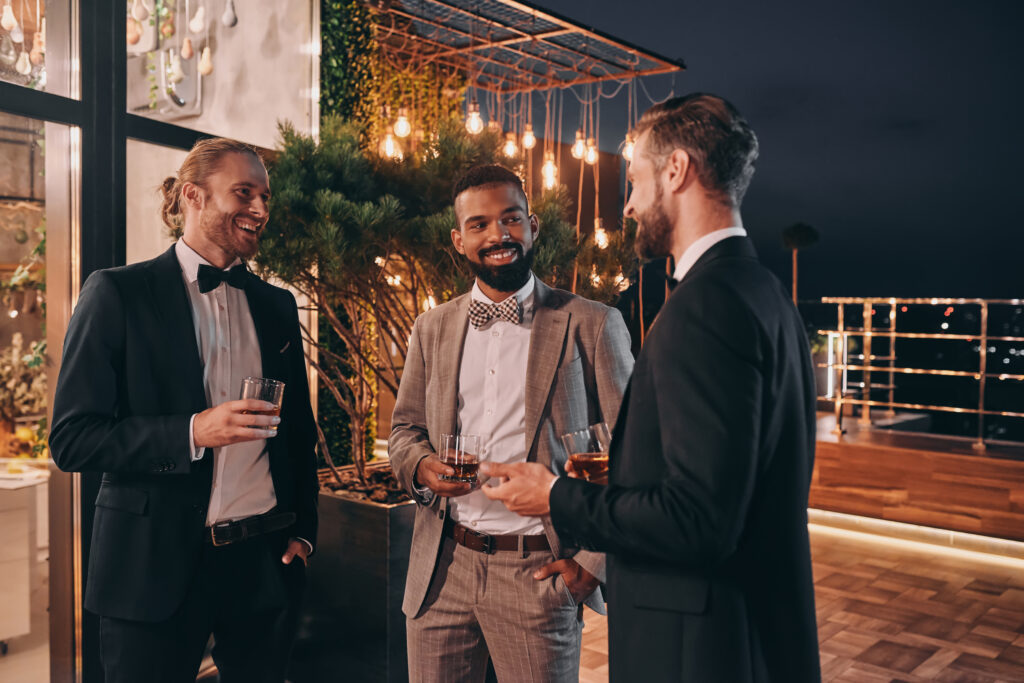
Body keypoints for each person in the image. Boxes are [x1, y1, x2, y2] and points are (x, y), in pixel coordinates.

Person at [482, 94, 822, 682]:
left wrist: (556, 494)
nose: (631, 205)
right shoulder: (767, 295)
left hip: (699, 650)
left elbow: (698, 520)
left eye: (635, 181)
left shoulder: (705, 307)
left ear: (677, 170)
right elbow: (728, 481)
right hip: (752, 636)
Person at [49, 138, 318, 683]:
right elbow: (72, 438)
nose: (261, 210)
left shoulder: (276, 304)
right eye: (244, 193)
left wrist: (305, 532)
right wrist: (194, 431)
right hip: (151, 567)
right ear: (193, 196)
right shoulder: (116, 294)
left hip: (262, 562)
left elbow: (296, 434)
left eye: (265, 196)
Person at [388, 164, 634, 682]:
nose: (497, 235)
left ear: (533, 226)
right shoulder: (431, 327)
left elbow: (636, 451)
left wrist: (591, 565)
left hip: (539, 572)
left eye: (510, 219)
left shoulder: (593, 323)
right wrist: (422, 467)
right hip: (441, 568)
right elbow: (405, 430)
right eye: (478, 225)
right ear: (458, 240)